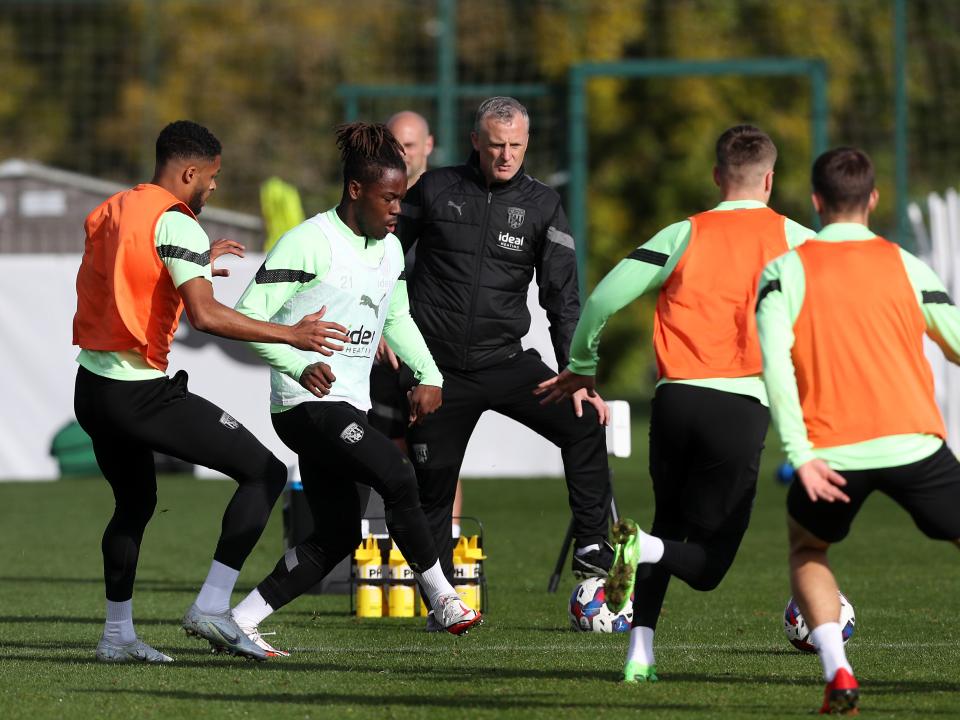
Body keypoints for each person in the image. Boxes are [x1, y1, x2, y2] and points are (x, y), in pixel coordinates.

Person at [538, 125, 814, 683]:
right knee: (708, 566)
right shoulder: (798, 239)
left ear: (717, 177)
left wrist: (584, 365)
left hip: (674, 403)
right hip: (740, 408)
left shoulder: (684, 233)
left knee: (665, 527)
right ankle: (636, 556)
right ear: (769, 180)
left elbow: (601, 300)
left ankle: (639, 654)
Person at [72, 120, 349, 663]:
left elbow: (130, 275)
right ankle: (213, 607)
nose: (214, 188)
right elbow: (205, 316)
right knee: (265, 472)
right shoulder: (177, 225)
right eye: (213, 177)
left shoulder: (114, 209)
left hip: (92, 387)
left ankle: (116, 636)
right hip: (137, 394)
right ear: (190, 171)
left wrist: (196, 262)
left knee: (134, 504)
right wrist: (292, 334)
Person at [227, 122, 482, 656]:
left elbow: (398, 318)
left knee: (338, 535)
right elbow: (248, 317)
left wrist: (428, 374)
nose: (397, 210)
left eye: (403, 198)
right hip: (304, 406)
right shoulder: (309, 241)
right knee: (398, 475)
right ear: (355, 190)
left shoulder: (389, 251)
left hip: (348, 407)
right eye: (389, 198)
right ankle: (441, 595)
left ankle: (241, 620)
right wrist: (297, 365)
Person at [396, 96, 614, 631]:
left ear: (527, 143)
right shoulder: (435, 189)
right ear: (476, 141)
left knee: (584, 419)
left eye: (516, 145)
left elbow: (562, 297)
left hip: (507, 363)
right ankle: (440, 599)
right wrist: (386, 327)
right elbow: (384, 259)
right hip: (437, 372)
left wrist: (576, 372)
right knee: (432, 490)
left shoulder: (543, 205)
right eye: (496, 144)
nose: (506, 156)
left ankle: (591, 548)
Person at [756, 147, 960, 715]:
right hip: (916, 445)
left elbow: (775, 366)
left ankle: (838, 672)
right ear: (873, 199)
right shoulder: (908, 265)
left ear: (817, 202)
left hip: (833, 455)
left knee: (807, 548)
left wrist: (800, 454)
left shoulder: (784, 271)